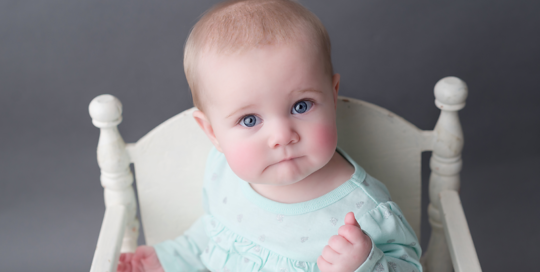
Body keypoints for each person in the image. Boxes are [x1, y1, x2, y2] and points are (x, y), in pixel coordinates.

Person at [118, 0, 422, 271]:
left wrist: (365, 265)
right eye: (249, 120)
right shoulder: (224, 174)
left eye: (301, 106)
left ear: (332, 96)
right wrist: (171, 258)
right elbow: (217, 236)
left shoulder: (363, 212)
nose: (282, 136)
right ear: (212, 133)